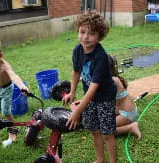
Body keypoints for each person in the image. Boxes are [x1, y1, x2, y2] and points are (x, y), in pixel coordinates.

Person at [62, 10, 117, 163]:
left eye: (91, 34)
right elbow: (76, 72)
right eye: (82, 32)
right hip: (90, 98)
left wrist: (77, 111)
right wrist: (72, 92)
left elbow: (93, 88)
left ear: (99, 37)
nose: (85, 37)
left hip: (105, 97)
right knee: (94, 130)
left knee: (107, 134)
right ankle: (100, 159)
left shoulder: (101, 57)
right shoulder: (77, 50)